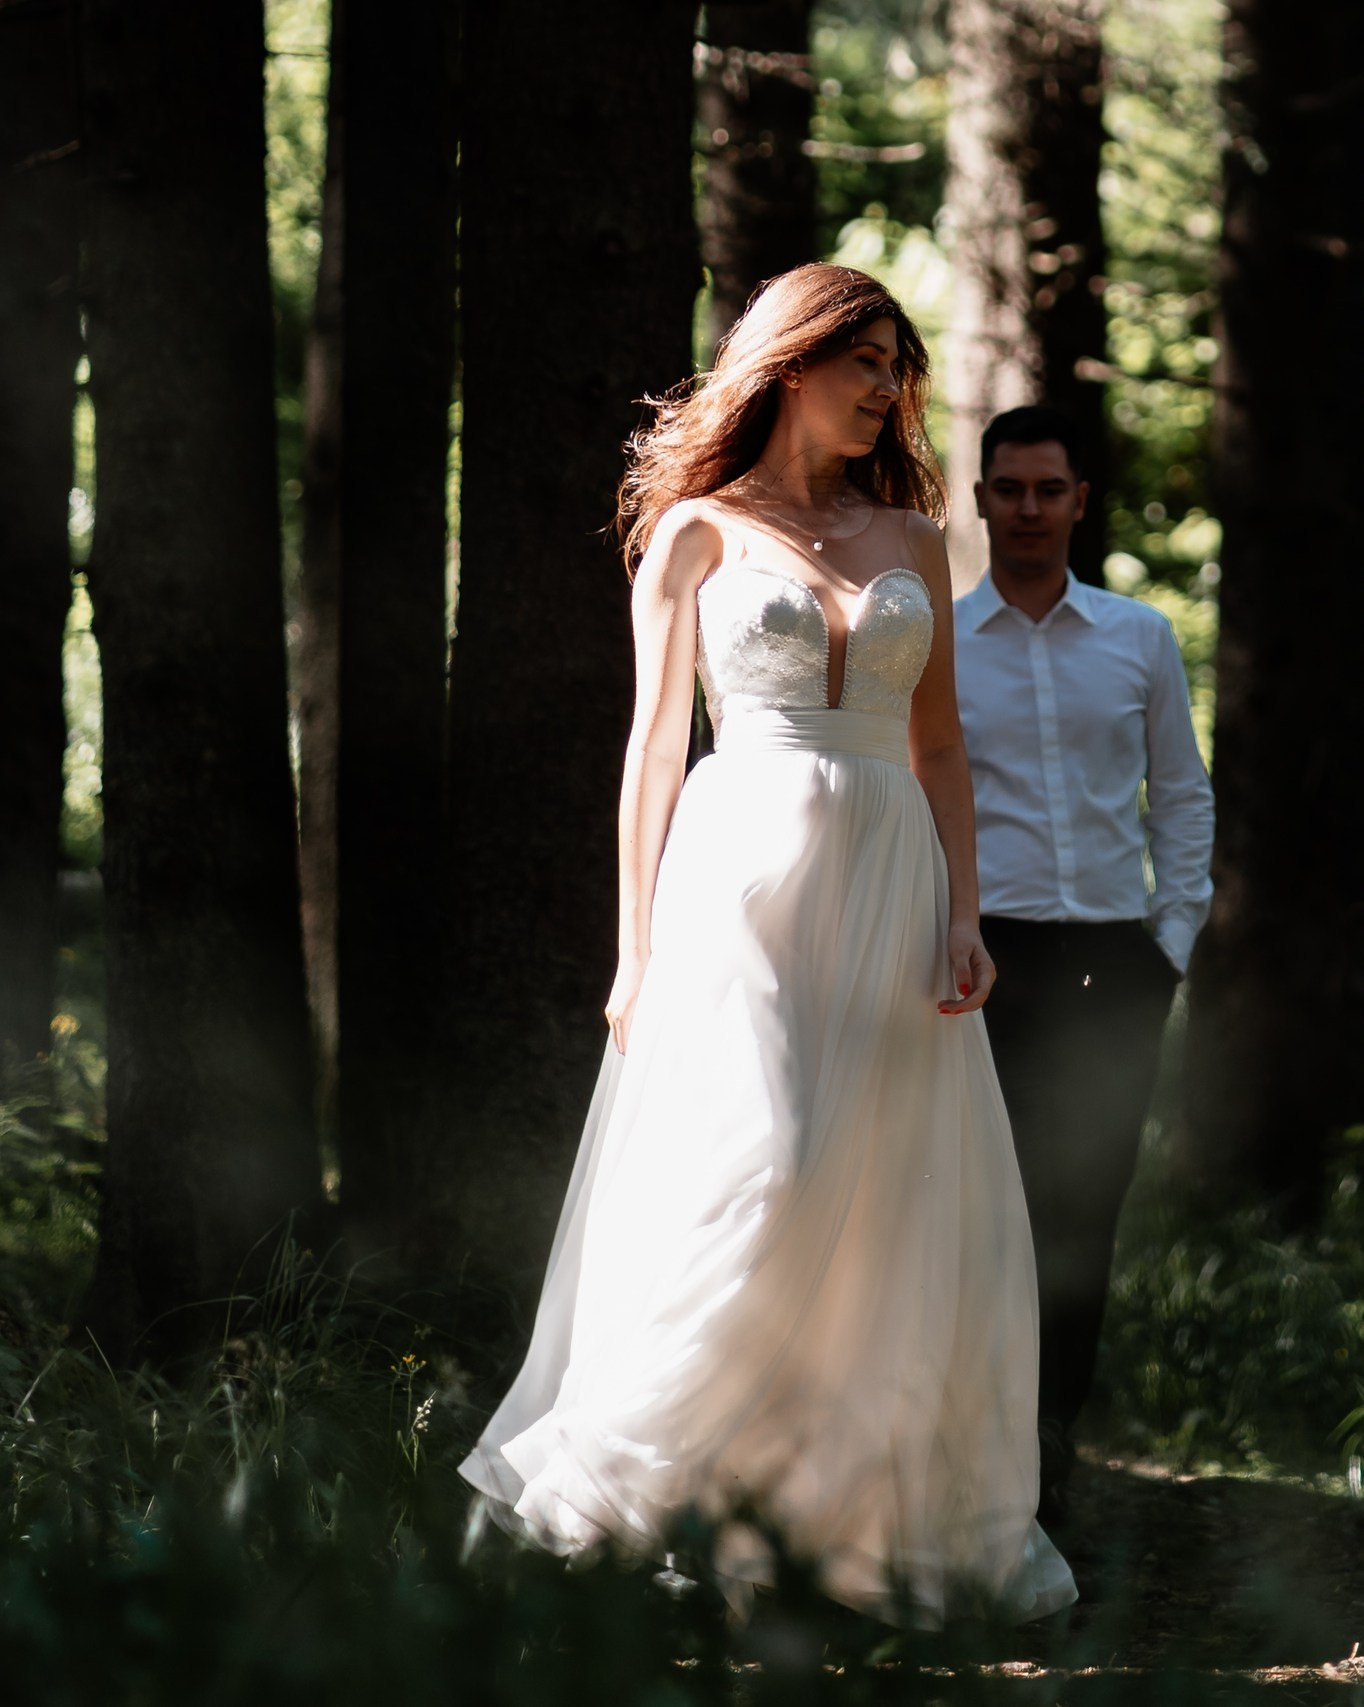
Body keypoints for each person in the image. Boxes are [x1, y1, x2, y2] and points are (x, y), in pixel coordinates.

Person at [460, 266, 1075, 1627]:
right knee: (766, 1162)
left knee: (880, 1200)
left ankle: (817, 1532)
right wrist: (632, 950)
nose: (885, 392)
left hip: (893, 883)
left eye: (897, 369)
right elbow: (651, 756)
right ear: (788, 361)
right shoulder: (696, 530)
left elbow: (939, 747)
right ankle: (628, 1493)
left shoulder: (916, 541)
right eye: (862, 362)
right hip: (740, 881)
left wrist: (965, 909)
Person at [952, 406, 1214, 1524]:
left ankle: (1052, 1459)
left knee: (1084, 1212)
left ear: (1077, 502)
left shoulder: (1139, 636)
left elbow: (1182, 793)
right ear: (979, 504)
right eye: (1006, 489)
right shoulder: (936, 647)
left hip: (1116, 965)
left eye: (1046, 489)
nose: (1026, 509)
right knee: (979, 1209)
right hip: (984, 965)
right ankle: (973, 1459)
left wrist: (1173, 939)